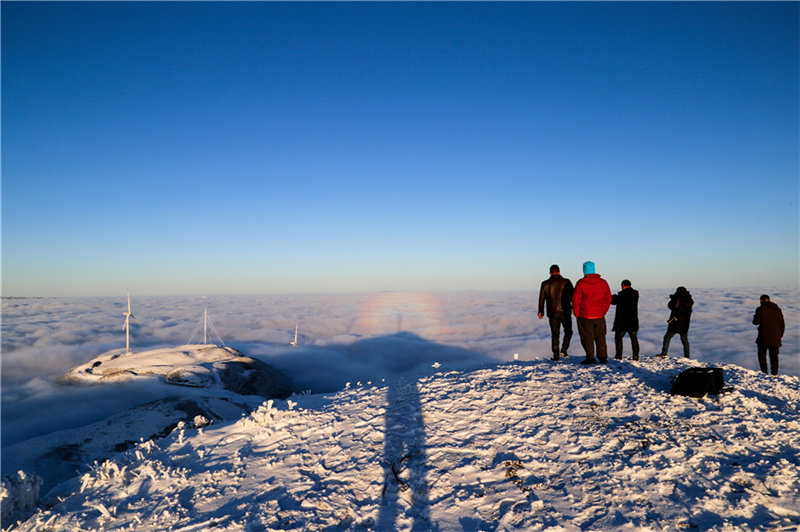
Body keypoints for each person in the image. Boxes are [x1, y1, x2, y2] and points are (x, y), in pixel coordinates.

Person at [572, 261, 612, 364]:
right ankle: (602, 357)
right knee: (600, 337)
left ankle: (590, 358)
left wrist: (576, 313)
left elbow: (576, 300)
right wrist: (604, 310)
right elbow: (608, 298)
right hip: (599, 315)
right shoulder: (603, 282)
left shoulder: (581, 283)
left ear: (584, 271)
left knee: (587, 337)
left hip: (585, 315)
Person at [537, 264, 574, 361]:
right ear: (559, 271)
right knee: (569, 331)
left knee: (555, 334)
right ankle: (564, 349)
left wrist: (541, 311)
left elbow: (541, 299)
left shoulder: (545, 283)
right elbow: (573, 296)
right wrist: (574, 308)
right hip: (565, 311)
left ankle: (556, 356)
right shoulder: (566, 282)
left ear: (550, 273)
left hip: (552, 312)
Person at [657, 286, 693, 358]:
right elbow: (670, 306)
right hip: (681, 323)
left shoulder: (684, 300)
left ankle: (664, 353)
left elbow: (676, 307)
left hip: (678, 323)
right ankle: (687, 356)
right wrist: (675, 299)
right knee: (683, 340)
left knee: (669, 337)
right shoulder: (686, 300)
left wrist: (676, 300)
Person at [753, 294, 785, 375]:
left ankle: (764, 373)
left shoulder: (760, 309)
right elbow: (782, 324)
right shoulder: (778, 309)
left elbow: (756, 322)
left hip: (764, 337)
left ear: (761, 301)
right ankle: (774, 374)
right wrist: (780, 335)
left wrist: (755, 316)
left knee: (762, 356)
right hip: (776, 338)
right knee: (774, 357)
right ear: (769, 300)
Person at [611, 279, 639, 360]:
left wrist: (613, 296)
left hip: (622, 322)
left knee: (618, 338)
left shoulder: (622, 295)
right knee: (634, 339)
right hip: (633, 321)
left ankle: (619, 356)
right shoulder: (635, 294)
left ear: (623, 286)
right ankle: (636, 356)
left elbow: (613, 301)